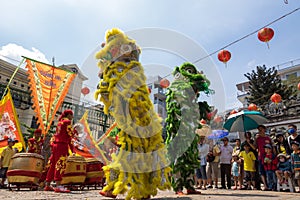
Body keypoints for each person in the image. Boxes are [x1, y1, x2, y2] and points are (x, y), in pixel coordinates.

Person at [44, 109, 75, 193]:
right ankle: (58, 185)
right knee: (60, 164)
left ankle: (47, 184)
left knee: (53, 164)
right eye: (71, 115)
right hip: (61, 145)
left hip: (55, 145)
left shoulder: (60, 122)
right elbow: (70, 134)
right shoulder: (67, 122)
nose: (72, 117)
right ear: (68, 115)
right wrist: (75, 131)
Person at [255, 125, 273, 190]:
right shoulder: (258, 139)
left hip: (268, 156)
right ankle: (265, 185)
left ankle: (270, 185)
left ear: (264, 129)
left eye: (261, 129)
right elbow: (255, 147)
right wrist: (255, 139)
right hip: (260, 157)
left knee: (268, 171)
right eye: (259, 129)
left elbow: (272, 147)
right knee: (262, 171)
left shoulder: (268, 138)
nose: (260, 130)